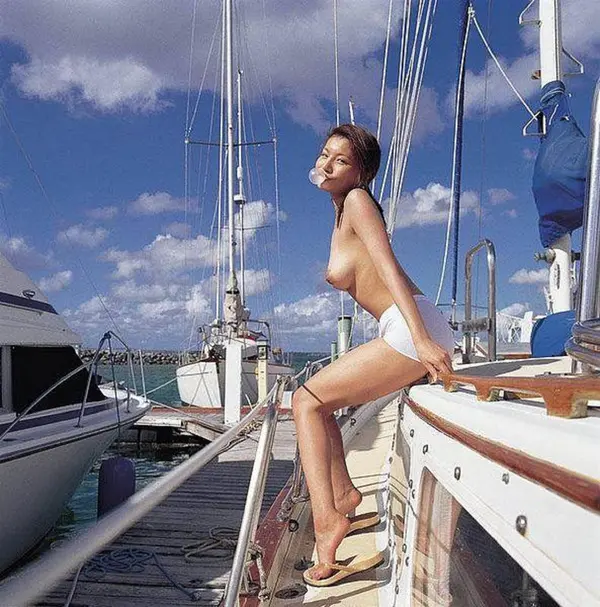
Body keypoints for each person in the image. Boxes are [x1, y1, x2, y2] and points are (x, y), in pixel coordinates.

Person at [292, 124, 454, 586]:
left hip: (411, 325)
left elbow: (388, 268)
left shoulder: (359, 202)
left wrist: (421, 340)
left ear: (361, 172)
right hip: (404, 324)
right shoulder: (342, 212)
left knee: (305, 401)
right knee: (319, 405)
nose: (326, 165)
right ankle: (344, 496)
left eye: (340, 160)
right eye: (325, 154)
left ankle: (328, 521)